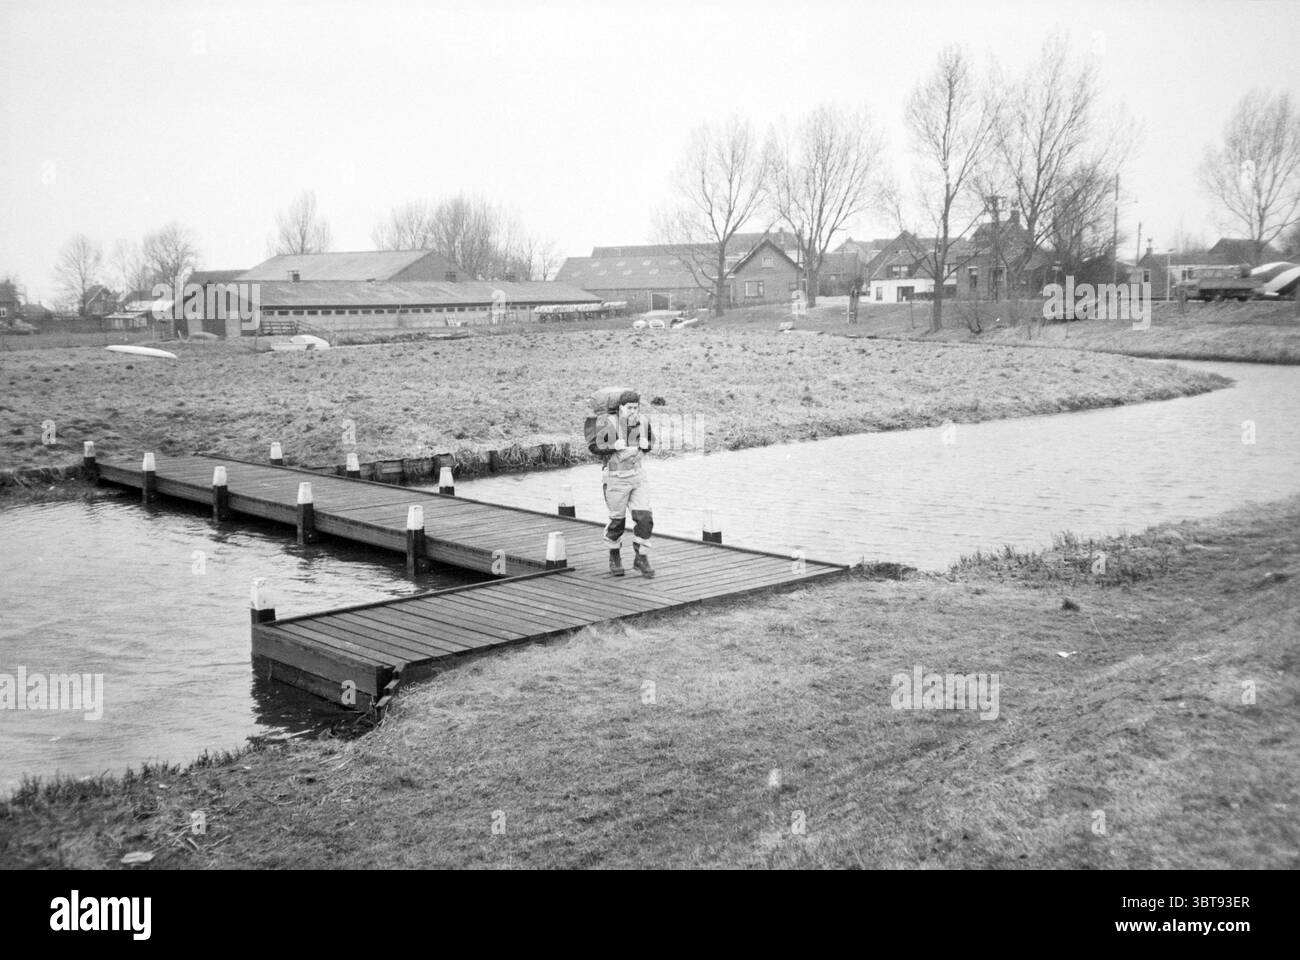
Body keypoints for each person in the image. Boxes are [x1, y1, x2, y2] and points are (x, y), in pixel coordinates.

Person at [591, 389, 655, 578]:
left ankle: (641, 558)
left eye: (636, 407)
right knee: (617, 522)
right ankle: (614, 556)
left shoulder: (643, 421)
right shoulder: (609, 423)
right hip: (615, 478)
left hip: (638, 477)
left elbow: (650, 443)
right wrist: (612, 446)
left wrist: (647, 445)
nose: (633, 411)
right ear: (620, 408)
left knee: (645, 519)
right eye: (629, 408)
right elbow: (594, 447)